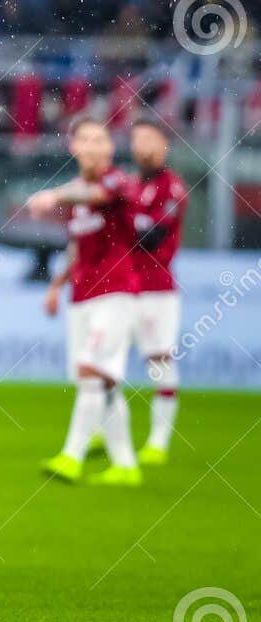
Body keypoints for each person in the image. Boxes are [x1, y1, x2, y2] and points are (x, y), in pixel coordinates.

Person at [28, 117, 142, 486]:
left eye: (100, 140)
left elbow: (95, 195)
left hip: (117, 293)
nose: (93, 147)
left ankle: (72, 457)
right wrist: (56, 285)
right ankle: (126, 465)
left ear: (110, 147)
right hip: (83, 295)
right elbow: (77, 246)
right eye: (85, 140)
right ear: (73, 147)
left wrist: (54, 195)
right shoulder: (77, 197)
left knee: (93, 374)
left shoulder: (117, 182)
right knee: (102, 382)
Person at [127, 117, 187, 465]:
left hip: (157, 289)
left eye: (149, 140)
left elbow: (154, 236)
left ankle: (158, 442)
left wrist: (125, 224)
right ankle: (105, 435)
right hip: (124, 288)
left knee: (159, 359)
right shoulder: (131, 186)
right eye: (136, 140)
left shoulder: (172, 187)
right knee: (105, 362)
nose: (141, 147)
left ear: (164, 145)